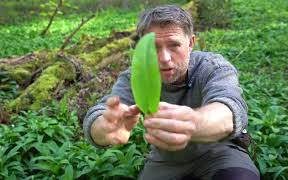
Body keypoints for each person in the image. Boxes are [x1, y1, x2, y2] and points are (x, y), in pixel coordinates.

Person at [83, 5, 260, 180]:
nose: (164, 58)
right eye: (154, 47)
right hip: (165, 160)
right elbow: (99, 115)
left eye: (174, 45)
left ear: (190, 43)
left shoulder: (212, 67)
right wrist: (105, 127)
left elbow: (229, 108)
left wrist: (192, 122)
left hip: (220, 152)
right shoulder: (137, 76)